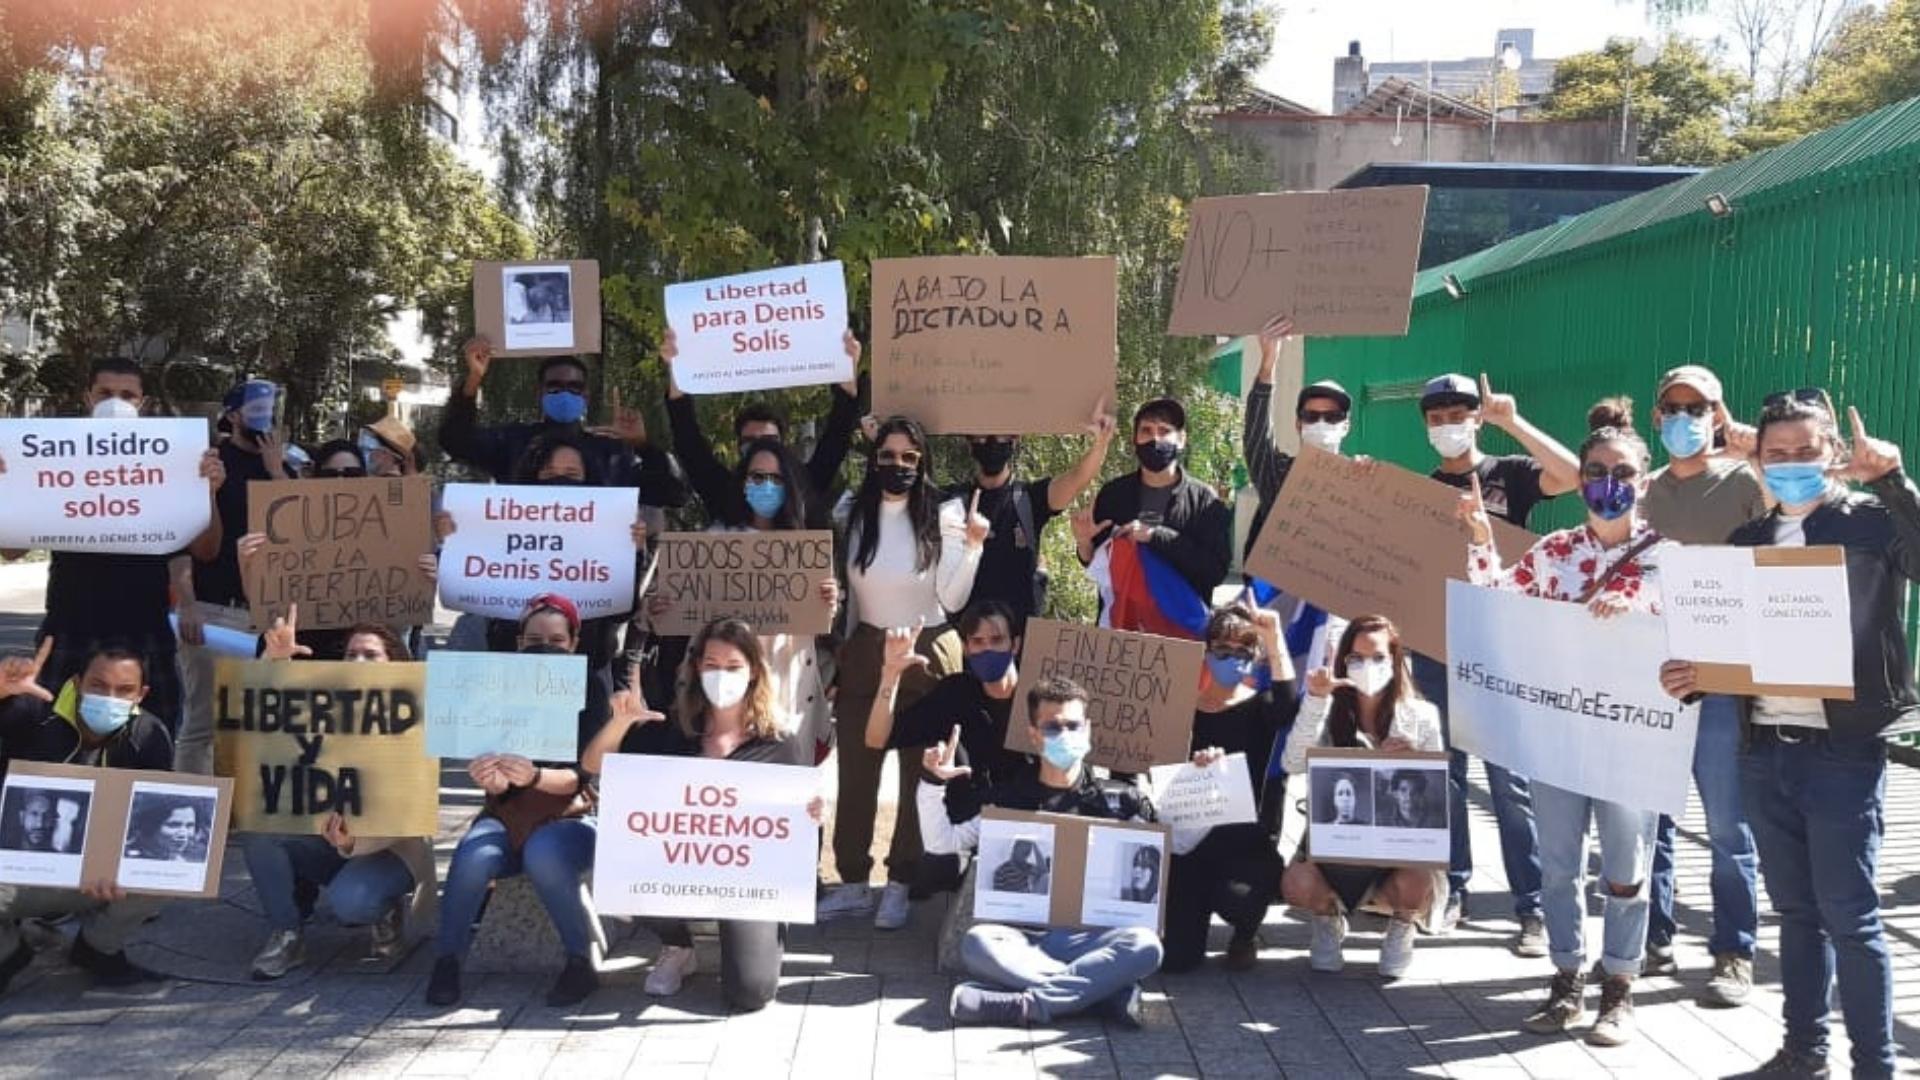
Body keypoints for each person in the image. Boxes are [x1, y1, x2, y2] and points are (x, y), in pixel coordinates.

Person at [1659, 392, 1912, 1079]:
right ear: (1758, 461)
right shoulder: (1747, 542)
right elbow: (1737, 647)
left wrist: (1893, 480)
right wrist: (1695, 674)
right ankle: (1804, 1052)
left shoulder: (1872, 522)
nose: (1793, 464)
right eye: (1778, 454)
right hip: (1763, 750)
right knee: (1796, 914)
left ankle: (1876, 1067)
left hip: (1843, 753)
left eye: (1807, 452)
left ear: (1832, 453)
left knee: (1852, 920)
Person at [1459, 401, 1666, 1047]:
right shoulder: (1553, 553)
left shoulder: (1672, 561)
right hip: (1559, 740)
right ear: (1580, 480)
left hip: (1632, 742)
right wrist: (1478, 539)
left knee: (1628, 869)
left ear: (1645, 480)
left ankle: (1621, 987)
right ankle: (1567, 977)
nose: (1609, 482)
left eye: (1623, 471)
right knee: (1558, 864)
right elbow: (1495, 604)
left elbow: (1702, 649)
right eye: (1597, 470)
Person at [582, 618, 824, 1011]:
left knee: (750, 993)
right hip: (682, 872)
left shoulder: (779, 742)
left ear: (753, 673)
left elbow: (797, 831)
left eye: (733, 667)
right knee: (622, 878)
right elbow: (595, 764)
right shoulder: (672, 728)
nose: (721, 675)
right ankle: (677, 945)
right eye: (711, 665)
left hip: (749, 886)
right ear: (696, 668)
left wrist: (812, 812)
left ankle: (764, 933)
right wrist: (620, 723)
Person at [1415, 371, 1578, 948]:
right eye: (1436, 418)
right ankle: (1453, 888)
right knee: (1449, 779)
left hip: (1508, 649)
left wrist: (1514, 422)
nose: (1447, 426)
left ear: (1476, 419)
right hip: (1438, 647)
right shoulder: (1419, 488)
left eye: (1458, 414)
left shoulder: (1508, 473)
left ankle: (1531, 904)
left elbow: (1575, 477)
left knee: (1510, 782)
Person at [819, 417, 987, 930]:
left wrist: (975, 546)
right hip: (867, 648)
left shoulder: (946, 514)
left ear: (924, 462)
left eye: (910, 458)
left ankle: (900, 882)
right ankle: (852, 882)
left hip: (928, 648)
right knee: (857, 770)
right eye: (888, 455)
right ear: (874, 458)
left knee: (921, 773)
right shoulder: (851, 513)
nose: (898, 465)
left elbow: (954, 598)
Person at [919, 676, 1163, 1026]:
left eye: (1073, 726)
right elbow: (942, 843)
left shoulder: (1122, 801)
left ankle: (1026, 1005)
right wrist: (932, 782)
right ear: (1033, 734)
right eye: (1052, 727)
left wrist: (1204, 781)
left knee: (1146, 945)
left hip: (1095, 939)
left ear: (1089, 730)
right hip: (1024, 940)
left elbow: (1171, 850)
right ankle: (1106, 994)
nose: (1064, 735)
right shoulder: (1006, 800)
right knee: (977, 943)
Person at [0, 358, 225, 734]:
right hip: (70, 626)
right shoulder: (50, 452)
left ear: (143, 402)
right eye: (105, 393)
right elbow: (10, 552)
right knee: (51, 750)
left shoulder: (170, 457)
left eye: (126, 395)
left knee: (149, 751)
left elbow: (205, 550)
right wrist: (8, 490)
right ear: (88, 397)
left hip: (143, 629)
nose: (115, 401)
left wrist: (209, 494)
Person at [1637, 364, 1765, 1006]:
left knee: (1724, 825)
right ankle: (1654, 937)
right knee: (1651, 817)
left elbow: (1795, 538)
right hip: (1656, 676)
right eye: (1674, 407)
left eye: (1699, 406)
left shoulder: (1747, 480)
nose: (1685, 417)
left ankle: (1734, 951)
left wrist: (1759, 455)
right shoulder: (1645, 489)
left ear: (1720, 413)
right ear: (1657, 416)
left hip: (1723, 681)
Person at [426, 594, 609, 1009]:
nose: (545, 646)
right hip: (507, 812)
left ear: (574, 642)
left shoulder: (591, 687)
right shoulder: (497, 687)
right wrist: (489, 778)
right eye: (534, 638)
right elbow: (494, 781)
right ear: (519, 642)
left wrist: (537, 776)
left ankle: (580, 962)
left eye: (557, 639)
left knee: (544, 852)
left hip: (570, 815)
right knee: (473, 853)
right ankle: (447, 959)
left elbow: (583, 776)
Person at [242, 623, 433, 981]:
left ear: (395, 664)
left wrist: (353, 841)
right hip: (326, 839)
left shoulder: (415, 720)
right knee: (258, 830)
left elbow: (408, 813)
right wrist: (273, 662)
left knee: (352, 904)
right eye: (351, 654)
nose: (358, 661)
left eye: (371, 654)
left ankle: (386, 907)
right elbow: (260, 717)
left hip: (389, 850)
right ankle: (287, 935)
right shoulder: (323, 706)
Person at [0, 642, 176, 991]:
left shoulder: (150, 736)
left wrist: (112, 862)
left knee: (173, 869)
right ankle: (9, 951)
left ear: (141, 694)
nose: (109, 697)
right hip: (14, 867)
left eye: (123, 690)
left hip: (95, 874)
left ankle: (99, 948)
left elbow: (151, 822)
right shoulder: (31, 713)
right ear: (77, 683)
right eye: (98, 685)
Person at [1280, 615, 1445, 981]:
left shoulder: (1421, 715)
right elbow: (1291, 762)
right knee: (1296, 883)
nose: (1367, 667)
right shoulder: (1328, 711)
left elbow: (1439, 801)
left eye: (1378, 658)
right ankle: (1327, 919)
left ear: (1395, 659)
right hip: (1336, 846)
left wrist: (1415, 761)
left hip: (1395, 848)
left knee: (1419, 882)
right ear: (1343, 663)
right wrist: (1315, 701)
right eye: (1356, 659)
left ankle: (1402, 928)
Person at [1161, 603, 1294, 973]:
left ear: (1254, 658)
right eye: (1222, 649)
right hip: (1191, 841)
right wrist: (1196, 768)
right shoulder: (1183, 708)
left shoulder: (1260, 707)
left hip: (1244, 841)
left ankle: (1244, 933)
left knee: (1240, 899)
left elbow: (1287, 706)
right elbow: (1158, 766)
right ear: (1206, 651)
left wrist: (1273, 636)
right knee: (1178, 960)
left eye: (1241, 651)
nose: (1230, 658)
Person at [174, 378, 291, 775]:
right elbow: (185, 546)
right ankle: (189, 809)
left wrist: (277, 472)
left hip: (265, 618)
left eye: (269, 407)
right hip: (214, 610)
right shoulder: (210, 465)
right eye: (255, 408)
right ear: (233, 414)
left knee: (255, 725)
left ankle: (237, 820)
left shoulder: (281, 466)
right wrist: (187, 604)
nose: (265, 416)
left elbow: (303, 530)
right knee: (202, 723)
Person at [442, 336, 688, 510]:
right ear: (539, 393)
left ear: (585, 396)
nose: (565, 393)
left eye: (574, 387)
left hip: (588, 572)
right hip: (522, 567)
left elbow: (674, 494)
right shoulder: (511, 443)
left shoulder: (610, 453)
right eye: (555, 386)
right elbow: (455, 441)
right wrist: (474, 377)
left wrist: (642, 446)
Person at [660, 327, 865, 519]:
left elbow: (837, 438)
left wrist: (847, 370)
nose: (760, 448)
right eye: (751, 441)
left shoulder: (806, 486)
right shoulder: (722, 491)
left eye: (769, 440)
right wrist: (678, 370)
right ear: (739, 447)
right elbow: (688, 442)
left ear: (783, 445)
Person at [947, 398, 1116, 631]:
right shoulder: (952, 503)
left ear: (1015, 439)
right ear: (969, 443)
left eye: (1001, 435)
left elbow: (1077, 479)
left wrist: (1101, 442)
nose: (992, 442)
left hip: (1020, 643)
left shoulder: (1029, 499)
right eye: (982, 436)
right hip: (967, 641)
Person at [1073, 398, 1231, 624]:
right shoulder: (1113, 494)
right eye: (1146, 430)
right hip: (1123, 630)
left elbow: (1215, 571)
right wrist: (1083, 543)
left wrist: (1156, 536)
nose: (1155, 438)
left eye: (1165, 431)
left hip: (1181, 632)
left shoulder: (1205, 502)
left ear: (1182, 440)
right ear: (1134, 439)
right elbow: (1097, 566)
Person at [1241, 314, 1355, 558]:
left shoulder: (1361, 480)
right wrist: (1268, 363)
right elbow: (1256, 437)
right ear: (1298, 424)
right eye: (1312, 416)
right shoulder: (1278, 474)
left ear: (1346, 426)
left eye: (1332, 417)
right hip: (1282, 592)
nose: (1321, 422)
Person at [122, 796, 207, 862]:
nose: (183, 834)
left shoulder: (187, 860)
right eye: (174, 825)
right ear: (151, 826)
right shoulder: (127, 857)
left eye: (189, 826)